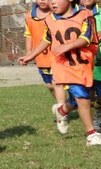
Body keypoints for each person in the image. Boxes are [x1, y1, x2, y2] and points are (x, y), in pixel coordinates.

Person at [18, 0, 101, 146]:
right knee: (82, 97)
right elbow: (47, 38)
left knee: (87, 97)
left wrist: (68, 45)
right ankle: (91, 134)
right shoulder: (50, 19)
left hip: (83, 65)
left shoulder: (85, 15)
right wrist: (31, 55)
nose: (52, 3)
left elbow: (87, 37)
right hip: (63, 66)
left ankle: (63, 110)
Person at [24, 0, 75, 133]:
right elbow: (28, 34)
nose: (42, 1)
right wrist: (29, 53)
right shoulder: (29, 16)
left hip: (58, 57)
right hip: (42, 58)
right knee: (50, 85)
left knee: (59, 84)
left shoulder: (58, 13)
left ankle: (62, 113)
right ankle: (63, 106)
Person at [80, 0, 101, 130]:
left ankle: (99, 107)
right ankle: (92, 123)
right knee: (88, 94)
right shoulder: (73, 14)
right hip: (83, 61)